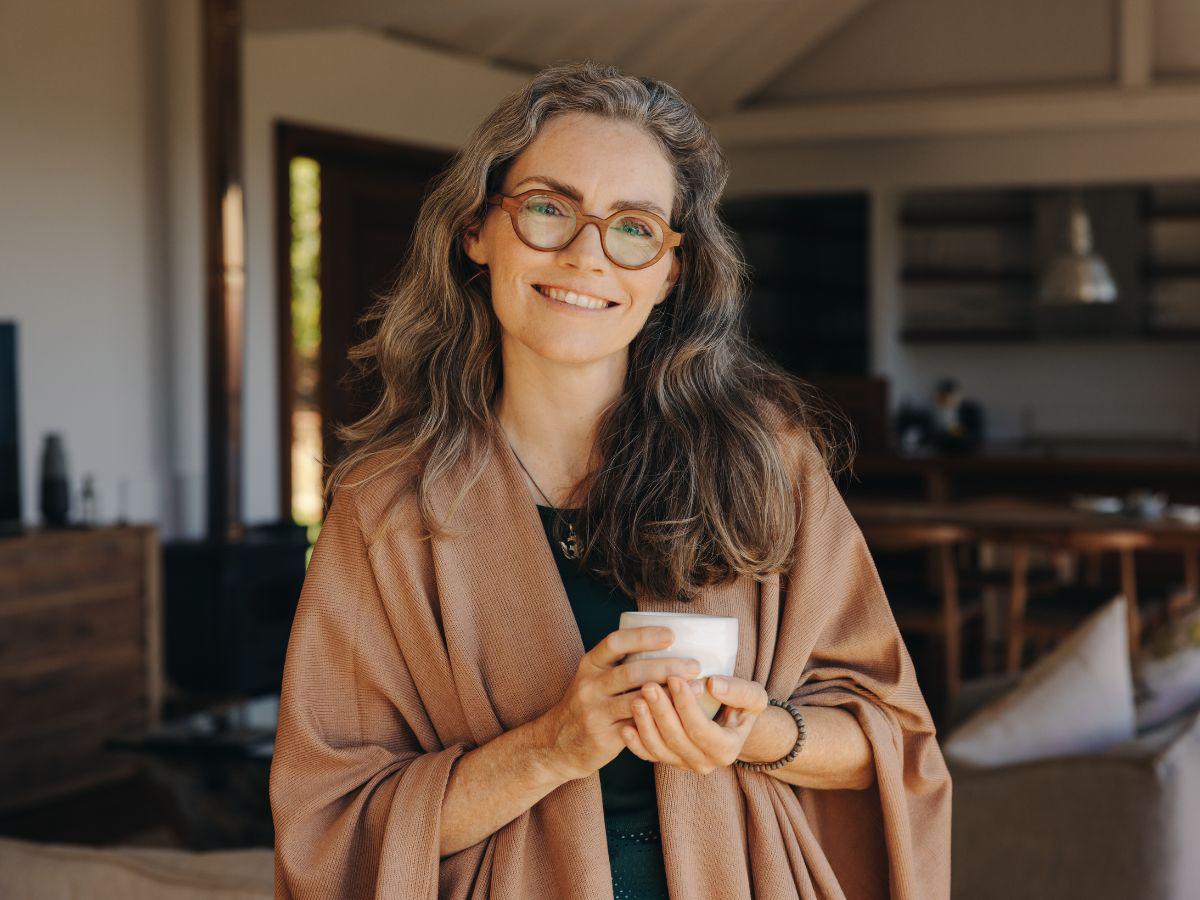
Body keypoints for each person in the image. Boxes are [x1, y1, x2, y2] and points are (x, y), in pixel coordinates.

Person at [270, 60, 951, 899]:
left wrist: (755, 733)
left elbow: (891, 740)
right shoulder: (385, 507)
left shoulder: (767, 463)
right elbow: (332, 825)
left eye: (632, 227)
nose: (588, 256)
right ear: (476, 230)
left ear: (670, 270)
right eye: (549, 210)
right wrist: (552, 745)